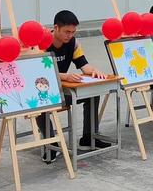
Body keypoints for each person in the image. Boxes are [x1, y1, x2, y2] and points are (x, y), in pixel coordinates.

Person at [37, 10, 111, 163]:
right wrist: (66, 76)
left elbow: (84, 64)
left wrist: (94, 71)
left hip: (63, 89)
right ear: (56, 27)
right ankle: (51, 145)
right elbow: (40, 73)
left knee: (92, 94)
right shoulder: (42, 43)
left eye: (73, 32)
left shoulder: (73, 43)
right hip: (43, 90)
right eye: (66, 32)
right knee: (41, 106)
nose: (69, 35)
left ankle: (88, 137)